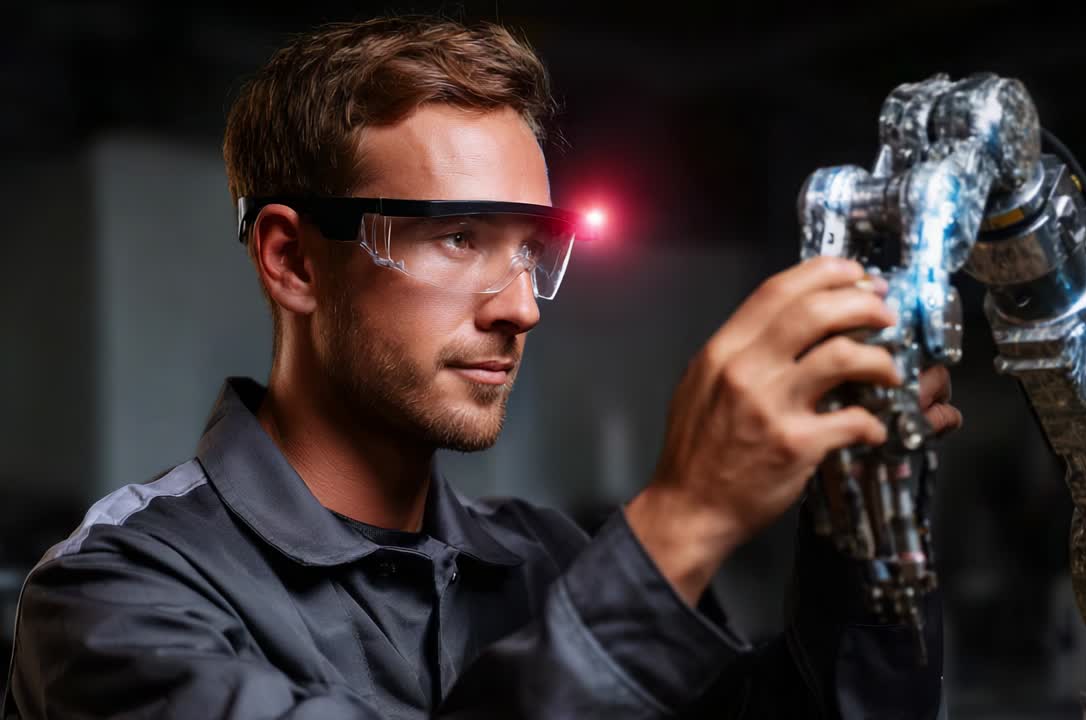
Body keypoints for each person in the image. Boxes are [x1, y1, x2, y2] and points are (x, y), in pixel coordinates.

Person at [3, 16, 961, 719]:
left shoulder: (553, 561)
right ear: (291, 259)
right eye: (458, 237)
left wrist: (863, 517)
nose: (522, 306)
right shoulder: (114, 602)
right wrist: (686, 521)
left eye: (530, 249)